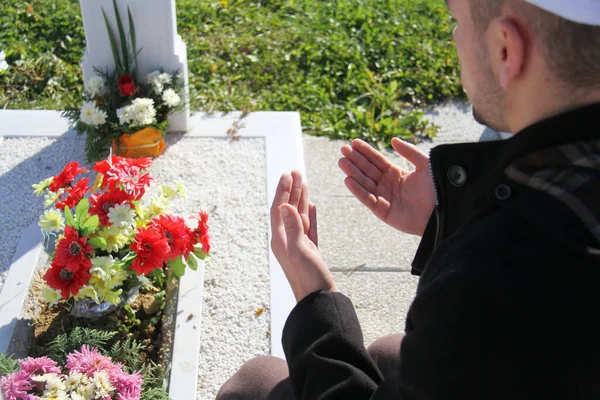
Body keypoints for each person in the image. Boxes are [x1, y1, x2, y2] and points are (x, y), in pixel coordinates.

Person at [218, 0, 600, 398]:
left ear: (506, 48)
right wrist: (451, 217)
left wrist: (315, 299)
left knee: (253, 384)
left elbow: (502, 304)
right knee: (387, 353)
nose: (454, 36)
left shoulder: (488, 286)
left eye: (457, 20)